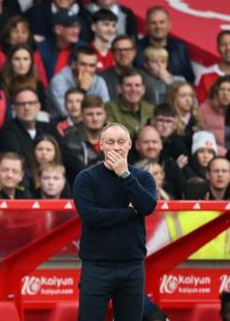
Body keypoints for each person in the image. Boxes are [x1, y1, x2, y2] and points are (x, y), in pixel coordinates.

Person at [73, 122, 157, 321]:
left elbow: (147, 207)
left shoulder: (143, 178)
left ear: (129, 144)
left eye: (121, 142)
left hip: (132, 266)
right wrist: (129, 212)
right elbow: (91, 216)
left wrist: (124, 174)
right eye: (110, 142)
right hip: (96, 266)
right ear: (100, 145)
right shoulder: (86, 178)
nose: (116, 147)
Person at [135, 6, 195, 84]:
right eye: (153, 23)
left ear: (169, 25)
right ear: (146, 26)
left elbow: (190, 80)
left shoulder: (180, 48)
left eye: (162, 22)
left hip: (175, 94)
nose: (158, 26)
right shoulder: (136, 48)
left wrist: (170, 78)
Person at [47, 46, 109, 119]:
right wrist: (83, 90)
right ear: (73, 64)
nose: (87, 69)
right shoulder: (58, 81)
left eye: (91, 66)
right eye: (83, 64)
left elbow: (106, 110)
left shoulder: (99, 81)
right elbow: (66, 112)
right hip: (60, 123)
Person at [198, 75, 230, 155]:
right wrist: (225, 154)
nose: (225, 94)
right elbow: (201, 136)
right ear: (216, 92)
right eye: (222, 89)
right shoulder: (204, 109)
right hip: (214, 153)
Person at [196, 30, 230, 104]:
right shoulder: (204, 76)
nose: (228, 48)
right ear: (218, 49)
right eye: (223, 44)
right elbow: (198, 109)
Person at [106, 68, 155, 138]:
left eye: (137, 85)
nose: (133, 89)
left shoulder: (151, 110)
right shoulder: (109, 109)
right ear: (119, 89)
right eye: (128, 85)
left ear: (143, 89)